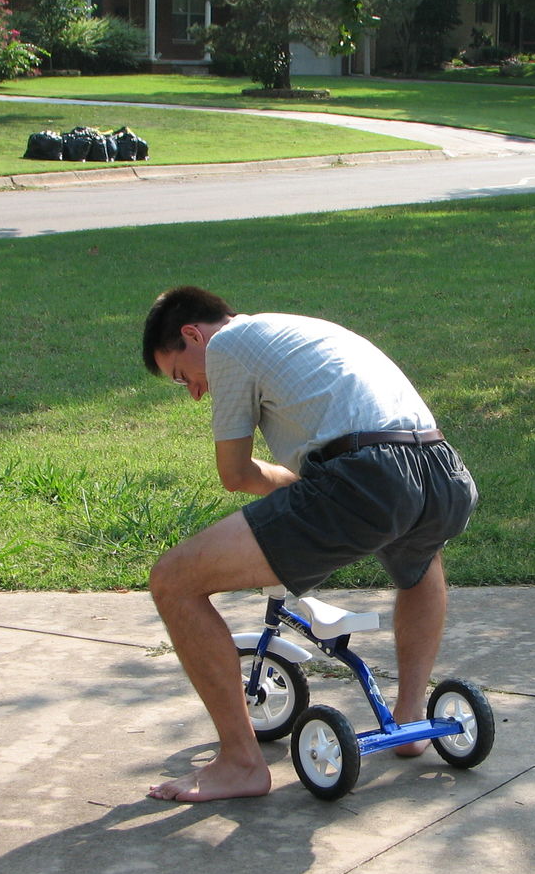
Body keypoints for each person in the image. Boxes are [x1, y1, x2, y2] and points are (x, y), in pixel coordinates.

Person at [141, 286, 478, 802]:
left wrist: (299, 488)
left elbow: (235, 474)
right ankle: (410, 720)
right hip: (442, 473)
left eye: (184, 376)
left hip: (367, 474)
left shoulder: (228, 345)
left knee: (173, 581)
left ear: (192, 335)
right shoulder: (307, 328)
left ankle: (240, 763)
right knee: (419, 562)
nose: (193, 392)